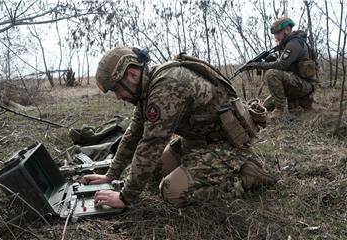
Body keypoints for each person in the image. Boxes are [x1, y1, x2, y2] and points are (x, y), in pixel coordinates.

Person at [82, 46, 277, 209]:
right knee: (156, 169)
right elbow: (134, 134)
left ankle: (245, 178)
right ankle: (215, 167)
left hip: (225, 144)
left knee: (171, 192)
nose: (118, 96)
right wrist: (111, 175)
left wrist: (125, 197)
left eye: (116, 89)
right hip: (198, 141)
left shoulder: (167, 85)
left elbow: (151, 144)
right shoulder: (148, 86)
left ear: (132, 74)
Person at [242, 17, 317, 119]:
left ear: (287, 30)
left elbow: (281, 65)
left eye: (278, 33)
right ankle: (300, 102)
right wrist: (271, 59)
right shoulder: (288, 43)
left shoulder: (294, 44)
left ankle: (281, 111)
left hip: (305, 85)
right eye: (275, 34)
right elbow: (287, 64)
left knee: (271, 73)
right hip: (297, 83)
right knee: (266, 105)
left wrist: (259, 65)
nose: (276, 36)